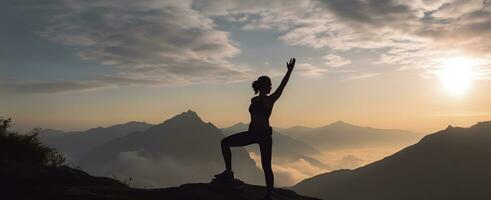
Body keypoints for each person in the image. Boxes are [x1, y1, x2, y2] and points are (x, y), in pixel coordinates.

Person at [215, 58, 296, 199]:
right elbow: (282, 87)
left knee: (266, 166)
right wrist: (289, 71)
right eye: (270, 85)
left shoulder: (263, 100)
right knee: (225, 143)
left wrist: (289, 72)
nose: (272, 87)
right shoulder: (263, 100)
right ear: (266, 86)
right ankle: (229, 172)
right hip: (256, 134)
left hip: (261, 135)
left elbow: (282, 86)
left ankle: (268, 195)